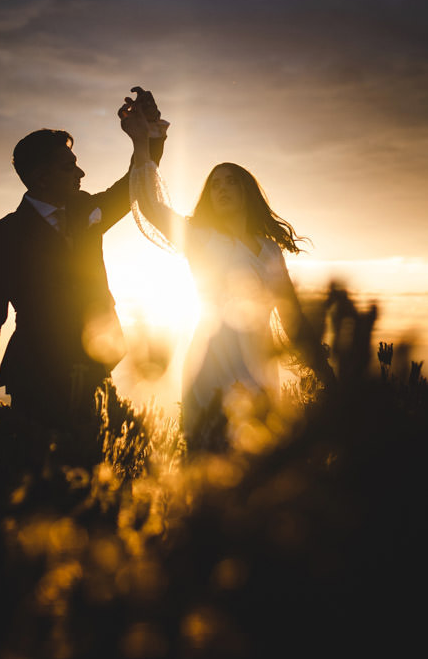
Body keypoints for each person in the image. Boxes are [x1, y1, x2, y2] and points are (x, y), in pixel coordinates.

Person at [119, 102, 330, 453]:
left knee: (255, 462)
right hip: (211, 362)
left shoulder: (269, 250)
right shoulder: (200, 240)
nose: (222, 189)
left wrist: (324, 372)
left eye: (231, 182)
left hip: (259, 367)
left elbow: (292, 317)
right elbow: (150, 205)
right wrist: (143, 142)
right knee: (207, 461)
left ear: (247, 191)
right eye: (215, 184)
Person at [0, 90, 168, 433]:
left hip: (96, 371)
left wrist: (148, 132)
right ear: (42, 178)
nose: (81, 172)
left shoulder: (84, 210)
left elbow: (133, 186)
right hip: (35, 378)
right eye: (69, 166)